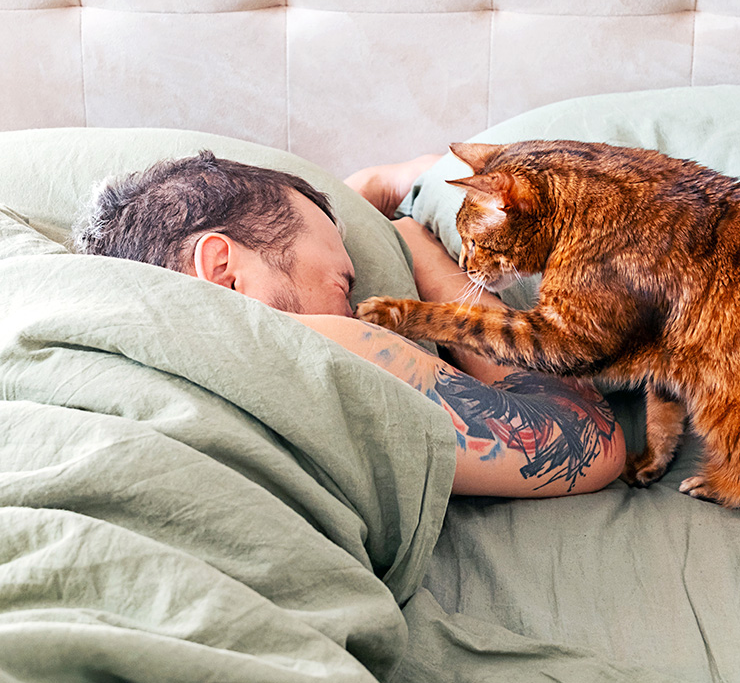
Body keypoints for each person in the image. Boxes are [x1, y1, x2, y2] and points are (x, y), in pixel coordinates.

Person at [74, 150, 626, 497]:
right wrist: (414, 241)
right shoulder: (288, 341)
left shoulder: (82, 316)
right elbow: (583, 437)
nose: (359, 314)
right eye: (343, 285)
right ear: (223, 270)